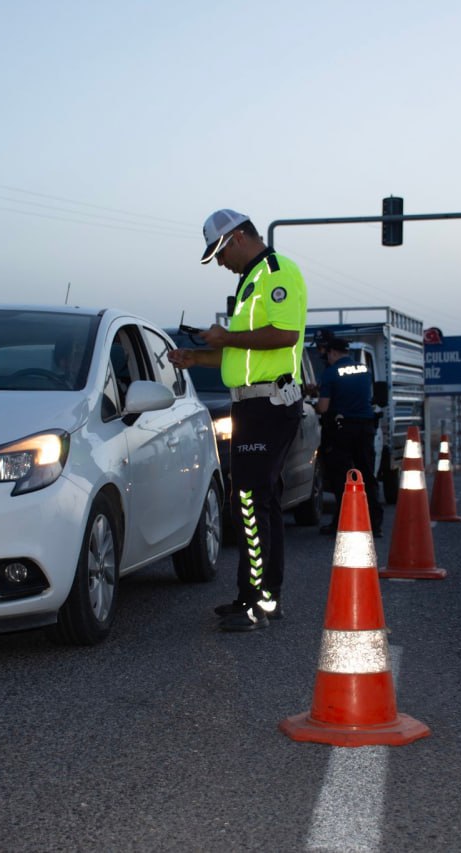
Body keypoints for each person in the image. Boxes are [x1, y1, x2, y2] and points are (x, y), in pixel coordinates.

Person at [167, 209, 307, 632]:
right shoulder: (251, 279)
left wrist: (225, 337)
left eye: (221, 253)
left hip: (270, 404)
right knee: (256, 500)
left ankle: (258, 603)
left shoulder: (278, 273)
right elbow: (246, 353)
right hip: (252, 405)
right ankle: (259, 597)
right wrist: (197, 357)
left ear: (239, 238)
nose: (221, 262)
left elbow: (285, 335)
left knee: (249, 499)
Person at [316, 336, 383, 537]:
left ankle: (343, 523)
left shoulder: (330, 373)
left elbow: (324, 407)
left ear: (333, 353)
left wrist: (314, 405)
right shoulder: (363, 370)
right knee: (367, 476)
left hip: (342, 430)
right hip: (365, 428)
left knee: (342, 479)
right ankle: (375, 524)